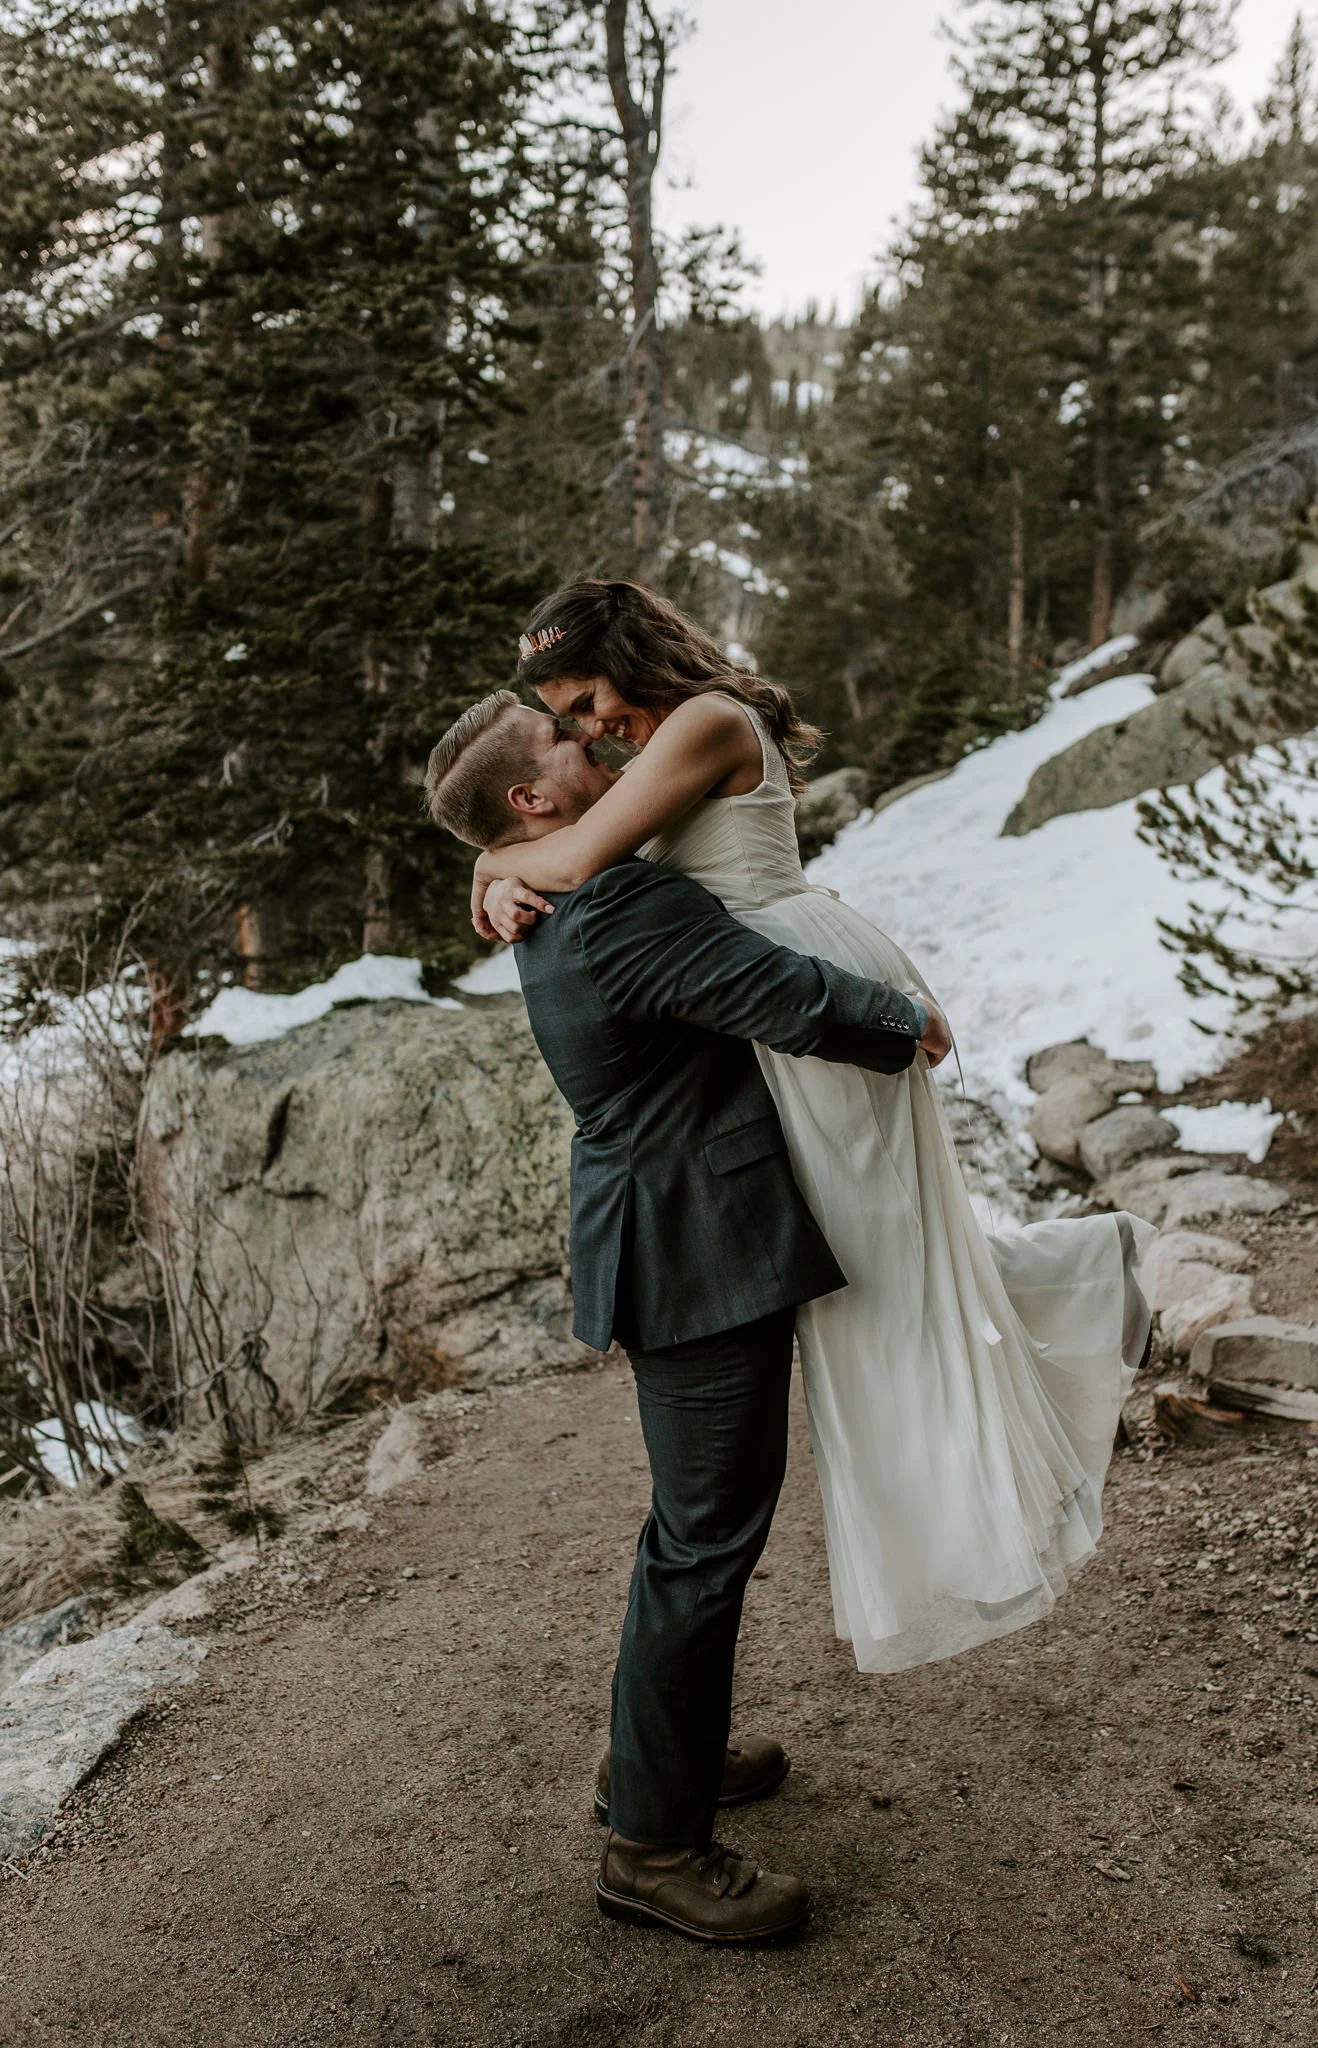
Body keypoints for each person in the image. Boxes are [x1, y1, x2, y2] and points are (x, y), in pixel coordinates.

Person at [448, 581, 1152, 1678]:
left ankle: (1065, 1311)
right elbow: (570, 834)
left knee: (879, 1264)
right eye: (567, 720)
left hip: (799, 989)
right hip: (776, 989)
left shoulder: (703, 722)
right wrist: (494, 860)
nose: (588, 729)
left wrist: (493, 865)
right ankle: (1074, 1271)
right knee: (879, 1255)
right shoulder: (669, 734)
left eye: (584, 701)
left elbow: (576, 857)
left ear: (629, 659)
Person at [424, 690, 946, 1942]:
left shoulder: (570, 878)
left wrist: (490, 863)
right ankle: (650, 1845)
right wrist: (903, 1020)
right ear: (531, 802)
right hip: (694, 1247)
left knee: (693, 1530)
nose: (602, 746)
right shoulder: (614, 900)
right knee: (703, 1539)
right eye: (569, 745)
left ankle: (662, 1761)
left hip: (668, 1226)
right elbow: (773, 992)